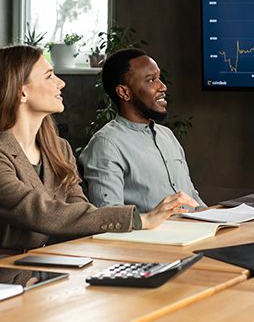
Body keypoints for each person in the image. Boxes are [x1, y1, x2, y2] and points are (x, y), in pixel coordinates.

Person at [0, 45, 197, 262]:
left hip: (51, 263)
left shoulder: (58, 149)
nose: (61, 83)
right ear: (21, 91)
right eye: (49, 76)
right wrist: (141, 219)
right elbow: (41, 212)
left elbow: (78, 209)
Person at [80, 48, 205, 213]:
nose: (163, 87)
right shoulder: (106, 144)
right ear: (124, 92)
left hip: (196, 234)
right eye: (151, 80)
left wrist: (219, 222)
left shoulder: (167, 135)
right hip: (153, 238)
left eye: (159, 78)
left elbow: (192, 198)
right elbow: (109, 217)